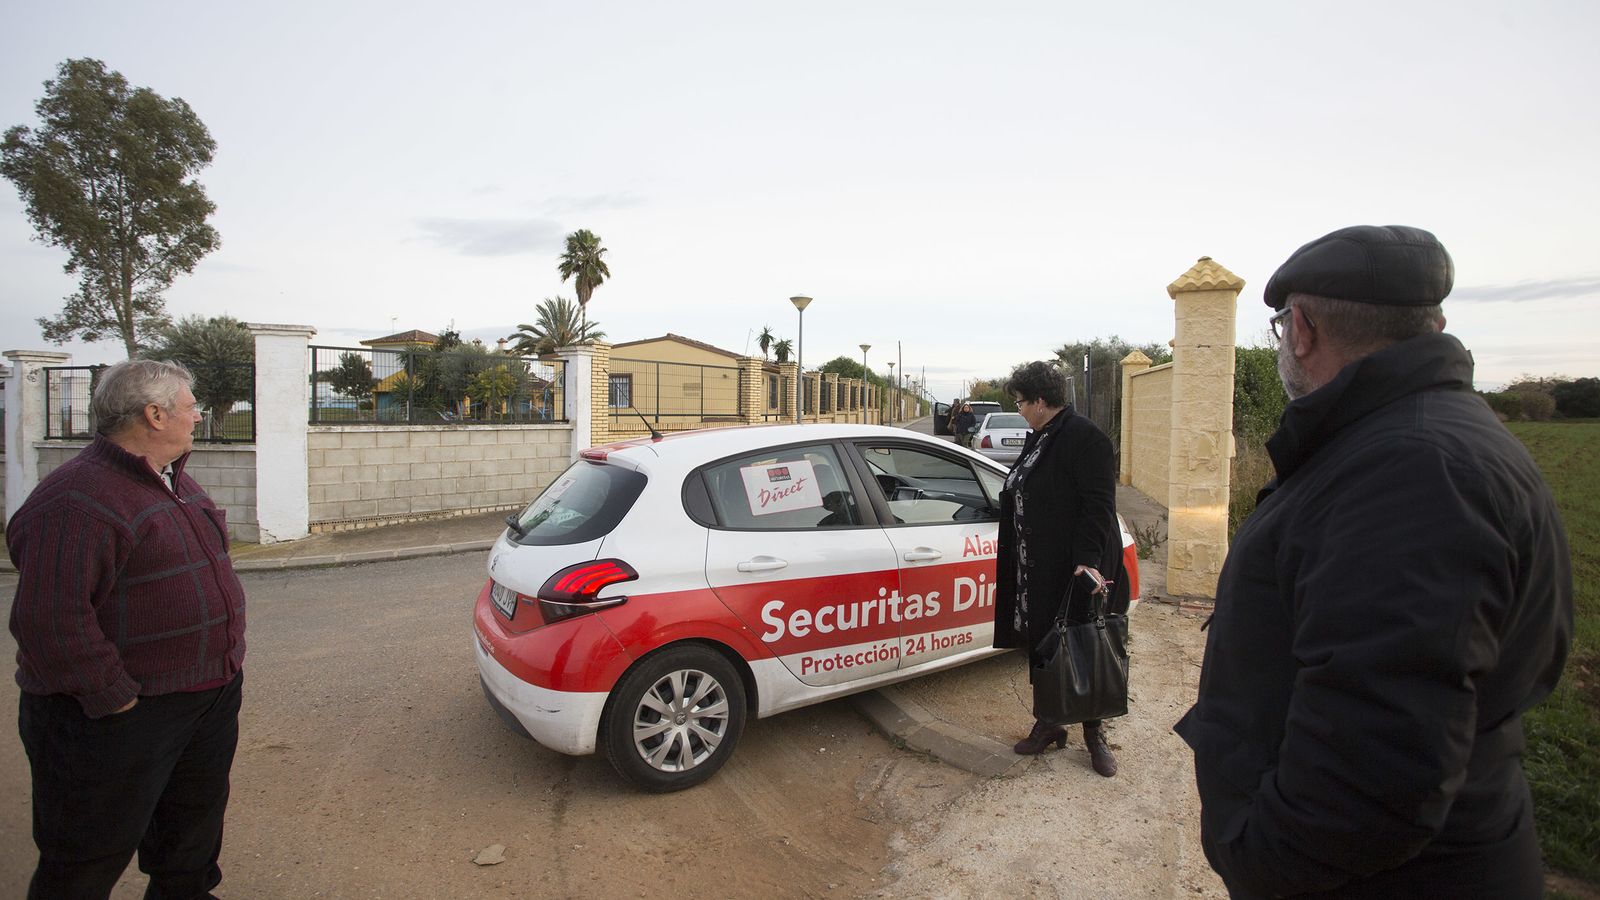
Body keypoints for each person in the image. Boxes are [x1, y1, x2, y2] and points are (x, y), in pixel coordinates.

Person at [1174, 225, 1573, 898]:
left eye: (1280, 330)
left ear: (1300, 329)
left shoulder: (1410, 472)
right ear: (1433, 324)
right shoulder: (1425, 439)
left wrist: (1255, 857)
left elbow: (1373, 771)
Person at [8, 358, 248, 899]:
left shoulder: (174, 481)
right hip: (119, 712)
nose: (199, 415)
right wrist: (115, 699)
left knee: (190, 830)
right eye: (191, 407)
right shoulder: (76, 499)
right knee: (87, 852)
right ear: (155, 414)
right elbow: (49, 622)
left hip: (204, 696)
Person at [991, 361, 1123, 776]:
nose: (1020, 409)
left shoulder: (1085, 438)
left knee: (1083, 645)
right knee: (1045, 646)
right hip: (1036, 567)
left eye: (1021, 402)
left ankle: (1094, 733)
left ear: (1041, 402)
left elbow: (1099, 506)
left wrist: (1086, 563)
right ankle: (1049, 723)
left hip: (1073, 569)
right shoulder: (1041, 437)